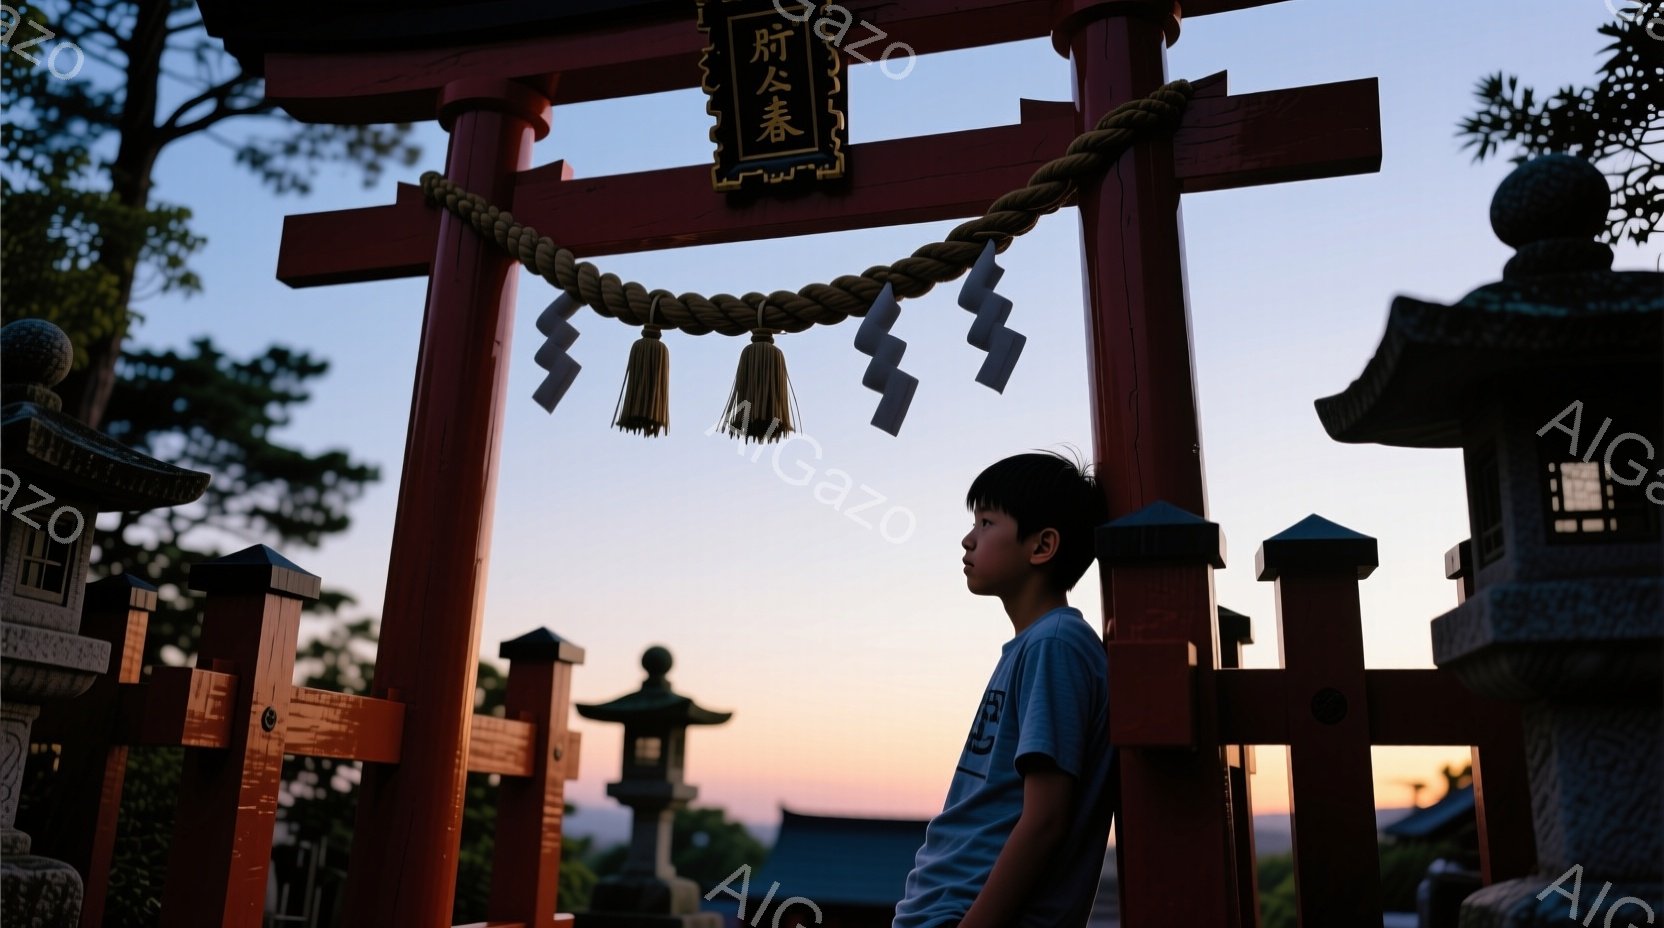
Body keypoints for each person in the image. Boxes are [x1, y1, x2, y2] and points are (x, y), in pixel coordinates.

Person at [892, 450, 1117, 928]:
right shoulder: (1035, 645)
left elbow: (1046, 819)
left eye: (987, 522)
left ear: (1042, 546)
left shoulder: (1056, 645)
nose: (968, 539)